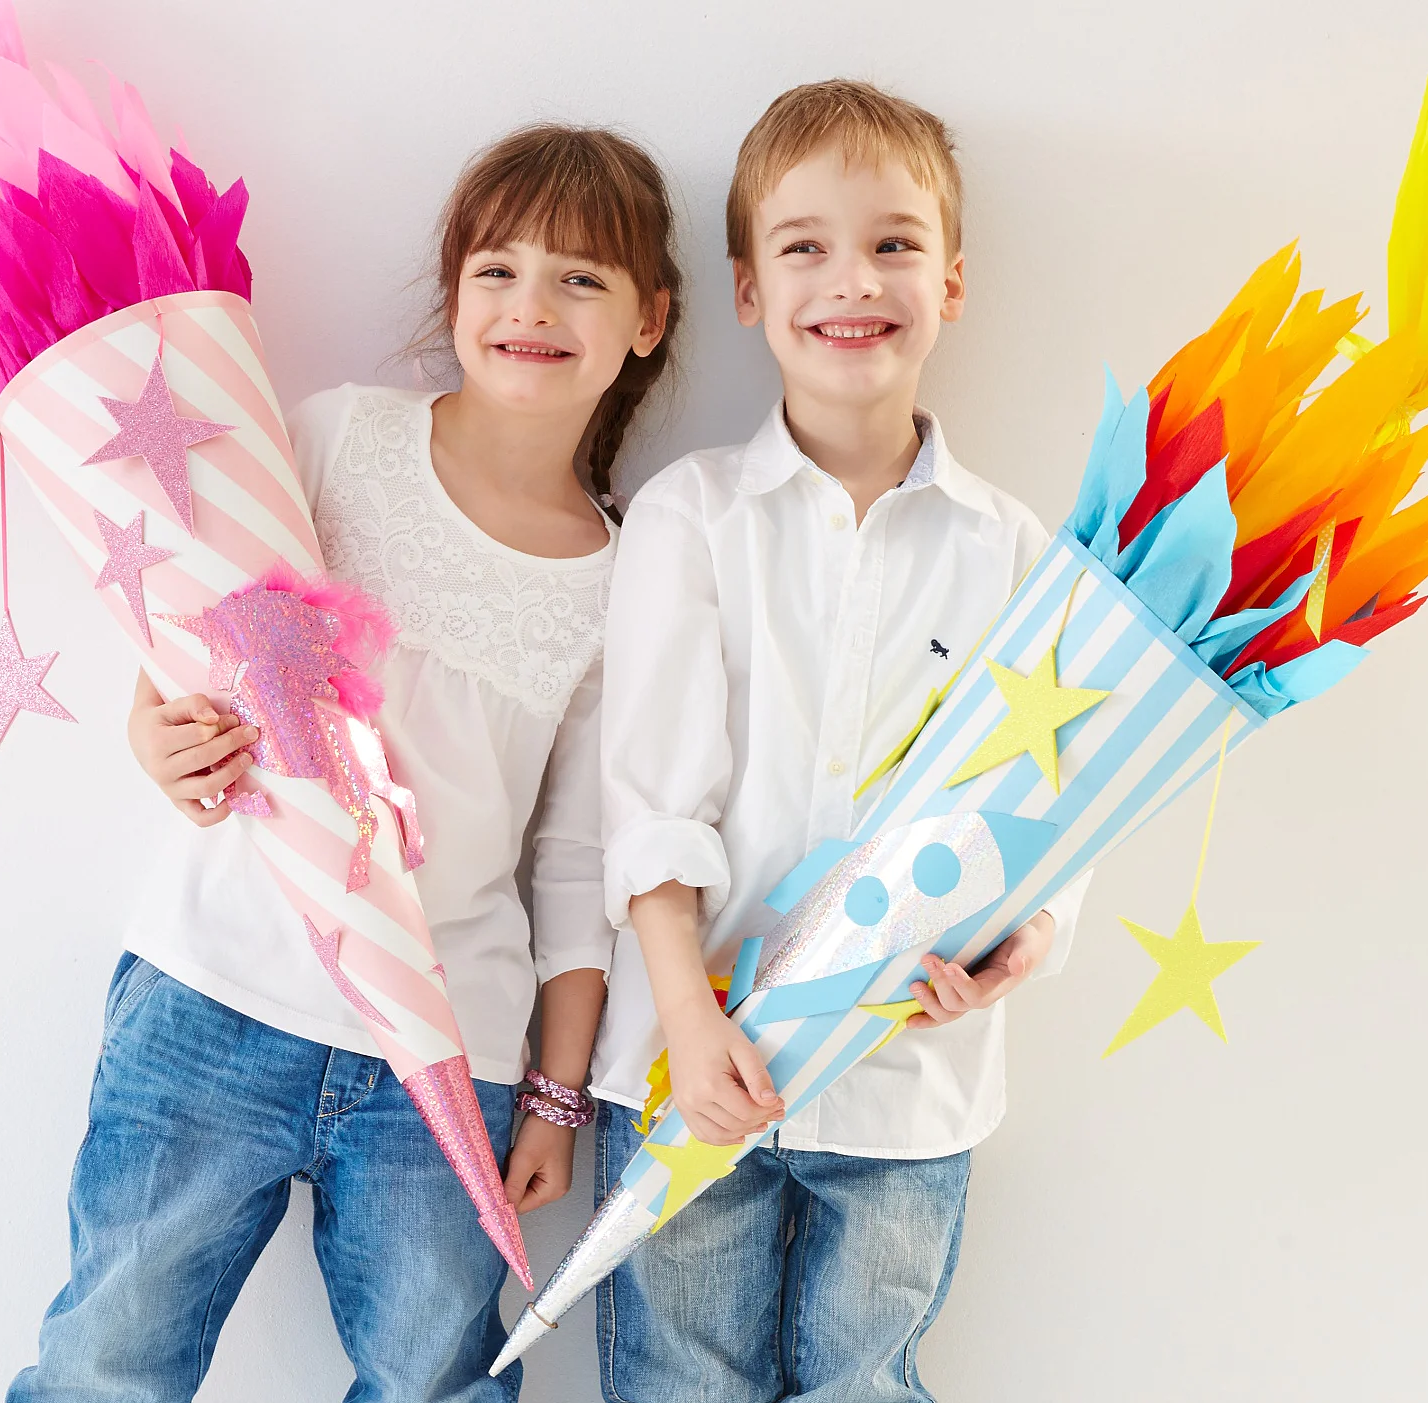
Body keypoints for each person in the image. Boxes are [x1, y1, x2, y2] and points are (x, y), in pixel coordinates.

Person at [9, 124, 682, 1403]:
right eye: (498, 270)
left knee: (438, 1378)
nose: (530, 306)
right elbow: (201, 611)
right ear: (453, 294)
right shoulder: (340, 438)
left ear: (647, 319)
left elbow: (578, 857)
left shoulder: (625, 571)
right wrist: (156, 724)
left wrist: (555, 1092)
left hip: (448, 1050)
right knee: (107, 1358)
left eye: (581, 279)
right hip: (220, 993)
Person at [592, 80, 1089, 1402]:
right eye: (803, 245)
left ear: (953, 281)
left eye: (894, 242)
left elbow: (1053, 810)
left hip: (904, 1086)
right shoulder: (691, 515)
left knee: (865, 1380)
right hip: (691, 1064)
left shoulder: (1018, 552)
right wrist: (690, 1031)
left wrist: (1014, 949)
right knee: (675, 1380)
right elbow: (649, 798)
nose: (851, 279)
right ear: (749, 291)